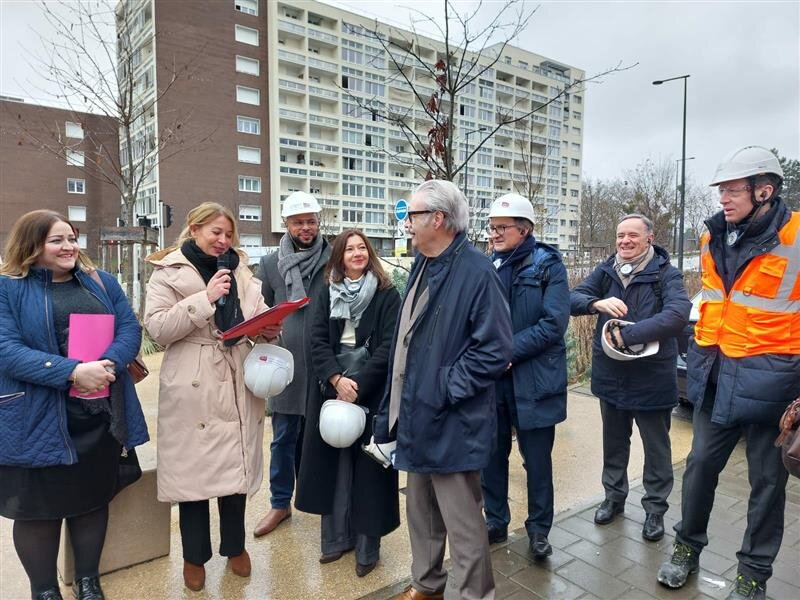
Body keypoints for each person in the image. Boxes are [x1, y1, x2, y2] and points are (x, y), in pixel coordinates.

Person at [656, 147, 799, 600]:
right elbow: (715, 301)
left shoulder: (797, 239)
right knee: (698, 467)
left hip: (774, 387)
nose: (723, 199)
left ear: (765, 190)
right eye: (720, 190)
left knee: (766, 485)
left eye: (733, 190)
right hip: (717, 376)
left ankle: (753, 576)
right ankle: (685, 548)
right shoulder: (711, 237)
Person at [372, 179, 513, 600]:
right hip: (418, 414)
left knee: (463, 522)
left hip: (453, 418)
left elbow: (496, 350)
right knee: (422, 512)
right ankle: (427, 586)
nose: (406, 225)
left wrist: (445, 387)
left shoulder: (475, 270)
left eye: (411, 216)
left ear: (438, 219)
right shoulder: (424, 262)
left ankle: (474, 594)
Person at [0, 210, 149, 600]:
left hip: (97, 411)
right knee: (37, 510)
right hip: (36, 416)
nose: (69, 247)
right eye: (57, 240)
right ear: (32, 246)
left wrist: (109, 364)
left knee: (91, 499)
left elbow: (129, 327)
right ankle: (44, 590)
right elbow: (6, 350)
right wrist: (71, 372)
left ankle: (88, 581)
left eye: (71, 238)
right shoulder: (6, 288)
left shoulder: (102, 282)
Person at [144, 202, 280, 592]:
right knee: (194, 475)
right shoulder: (168, 271)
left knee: (234, 469)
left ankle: (235, 547)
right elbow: (157, 328)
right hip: (193, 375)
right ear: (194, 228)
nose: (223, 240)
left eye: (228, 234)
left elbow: (256, 313)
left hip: (236, 370)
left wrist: (268, 328)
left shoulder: (241, 267)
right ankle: (194, 557)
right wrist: (204, 299)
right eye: (215, 232)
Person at [570, 213, 691, 541]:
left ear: (649, 238)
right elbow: (572, 299)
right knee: (614, 443)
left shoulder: (666, 274)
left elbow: (678, 314)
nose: (624, 241)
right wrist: (596, 302)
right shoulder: (606, 270)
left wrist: (633, 334)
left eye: (632, 236)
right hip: (611, 376)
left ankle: (654, 509)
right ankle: (614, 498)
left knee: (656, 448)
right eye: (620, 235)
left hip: (651, 378)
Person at [295, 229, 401, 577]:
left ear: (369, 253)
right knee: (334, 468)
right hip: (331, 392)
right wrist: (337, 380)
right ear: (339, 257)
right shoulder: (325, 291)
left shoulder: (387, 295)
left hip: (371, 395)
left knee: (368, 472)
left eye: (362, 248)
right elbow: (316, 340)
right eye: (349, 249)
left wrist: (359, 384)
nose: (356, 253)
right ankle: (336, 539)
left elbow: (390, 345)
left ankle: (368, 547)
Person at [480, 194, 570, 559]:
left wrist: (507, 353)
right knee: (491, 455)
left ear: (525, 229)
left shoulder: (548, 265)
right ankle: (496, 522)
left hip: (534, 380)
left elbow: (553, 324)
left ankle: (538, 531)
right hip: (494, 382)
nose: (495, 234)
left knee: (537, 461)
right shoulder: (487, 266)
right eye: (492, 227)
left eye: (502, 228)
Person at [253, 191, 331, 537]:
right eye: (298, 222)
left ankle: (319, 498)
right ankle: (280, 503)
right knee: (283, 437)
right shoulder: (271, 263)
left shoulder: (334, 256)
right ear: (285, 224)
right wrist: (264, 330)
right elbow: (257, 310)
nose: (306, 227)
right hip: (284, 364)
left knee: (322, 435)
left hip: (325, 361)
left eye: (311, 221)